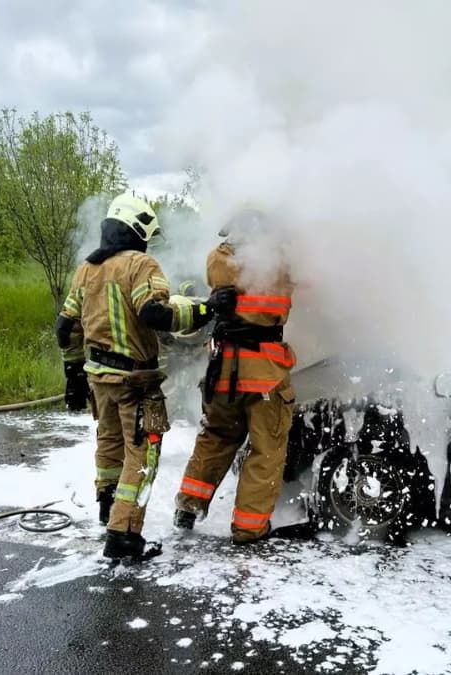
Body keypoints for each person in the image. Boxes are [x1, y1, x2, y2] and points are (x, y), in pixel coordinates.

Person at [55, 193, 235, 560]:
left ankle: (108, 511)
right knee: (143, 455)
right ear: (137, 230)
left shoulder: (88, 268)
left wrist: (72, 373)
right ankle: (124, 535)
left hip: (98, 379)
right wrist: (206, 309)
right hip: (134, 381)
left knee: (109, 447)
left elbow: (64, 327)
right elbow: (155, 314)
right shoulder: (140, 264)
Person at [173, 209, 299, 543]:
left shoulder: (218, 260)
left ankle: (188, 506)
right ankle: (249, 528)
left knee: (216, 436)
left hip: (223, 367)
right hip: (264, 374)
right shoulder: (276, 263)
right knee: (266, 451)